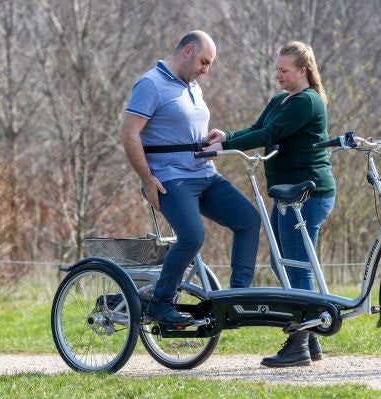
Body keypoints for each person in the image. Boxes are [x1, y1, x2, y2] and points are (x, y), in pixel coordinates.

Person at [205, 41, 336, 367]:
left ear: (302, 71)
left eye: (284, 71)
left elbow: (269, 134)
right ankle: (310, 339)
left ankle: (299, 345)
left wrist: (222, 149)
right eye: (276, 69)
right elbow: (257, 128)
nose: (277, 76)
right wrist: (227, 136)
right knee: (288, 264)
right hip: (287, 195)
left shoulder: (306, 102)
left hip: (307, 195)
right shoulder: (282, 99)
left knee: (296, 266)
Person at [119, 31, 260, 326]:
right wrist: (146, 179)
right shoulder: (151, 84)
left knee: (249, 219)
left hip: (205, 175)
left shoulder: (192, 85)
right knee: (192, 237)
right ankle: (161, 303)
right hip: (170, 179)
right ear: (187, 51)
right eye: (204, 62)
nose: (206, 70)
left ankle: (237, 297)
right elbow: (129, 132)